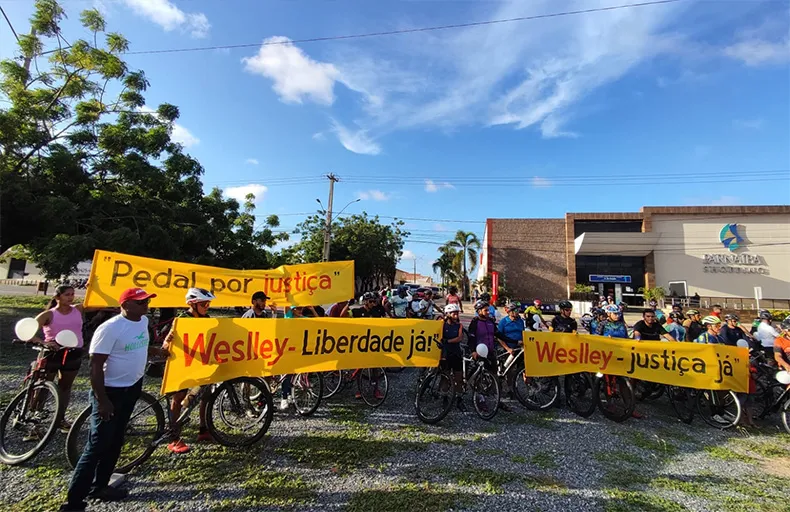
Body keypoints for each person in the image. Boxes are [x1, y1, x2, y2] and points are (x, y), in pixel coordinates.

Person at [59, 288, 168, 512]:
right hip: (110, 392)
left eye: (147, 301)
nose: (146, 305)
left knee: (117, 440)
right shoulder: (109, 329)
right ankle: (73, 502)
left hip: (132, 388)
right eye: (140, 302)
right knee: (97, 446)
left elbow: (139, 348)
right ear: (125, 305)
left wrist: (157, 351)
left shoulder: (143, 321)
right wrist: (102, 399)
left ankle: (101, 486)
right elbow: (96, 366)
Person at [162, 287, 216, 454]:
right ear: (193, 304)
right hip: (182, 364)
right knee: (177, 398)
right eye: (204, 304)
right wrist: (167, 342)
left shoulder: (207, 318)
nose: (207, 307)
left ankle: (203, 429)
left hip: (199, 363)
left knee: (205, 395)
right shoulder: (181, 319)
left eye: (208, 304)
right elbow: (166, 343)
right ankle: (173, 436)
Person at [30, 284, 89, 433]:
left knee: (65, 387)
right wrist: (43, 342)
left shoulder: (78, 309)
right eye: (67, 294)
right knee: (44, 386)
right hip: (52, 353)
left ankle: (60, 419)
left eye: (72, 294)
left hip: (73, 352)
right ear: (58, 297)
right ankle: (35, 422)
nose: (71, 297)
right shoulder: (49, 314)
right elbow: (27, 331)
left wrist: (91, 288)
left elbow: (94, 302)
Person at [467, 300, 511, 412]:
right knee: (479, 377)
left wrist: (514, 341)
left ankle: (497, 400)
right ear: (479, 311)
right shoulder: (475, 322)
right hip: (479, 352)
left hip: (490, 353)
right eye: (485, 310)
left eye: (488, 310)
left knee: (494, 376)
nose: (488, 312)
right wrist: (472, 351)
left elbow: (499, 335)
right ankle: (480, 399)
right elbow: (471, 338)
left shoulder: (490, 321)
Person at [440, 304, 466, 411]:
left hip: (456, 353)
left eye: (457, 313)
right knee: (445, 377)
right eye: (454, 313)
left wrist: (447, 341)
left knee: (458, 378)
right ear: (448, 314)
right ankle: (444, 397)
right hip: (445, 354)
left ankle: (459, 398)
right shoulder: (442, 324)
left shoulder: (459, 326)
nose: (456, 314)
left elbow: (459, 338)